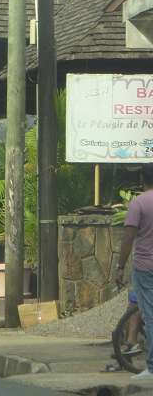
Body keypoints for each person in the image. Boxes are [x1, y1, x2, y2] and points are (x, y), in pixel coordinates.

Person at [115, 164, 153, 382]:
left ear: (142, 179)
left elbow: (128, 237)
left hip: (146, 267)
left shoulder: (138, 203)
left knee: (149, 314)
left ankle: (152, 368)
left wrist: (120, 266)